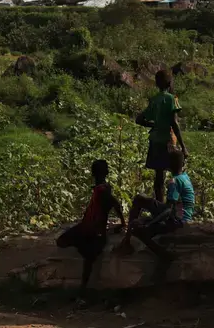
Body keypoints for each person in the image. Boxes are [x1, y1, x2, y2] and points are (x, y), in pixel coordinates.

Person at [56, 159, 126, 293]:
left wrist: (122, 223)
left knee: (87, 258)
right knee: (64, 242)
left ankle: (83, 289)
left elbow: (115, 204)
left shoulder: (103, 190)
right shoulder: (101, 189)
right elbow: (115, 205)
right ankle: (86, 253)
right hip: (87, 228)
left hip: (96, 232)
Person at [117, 151, 194, 260]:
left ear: (168, 165)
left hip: (177, 219)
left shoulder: (174, 182)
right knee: (140, 199)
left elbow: (168, 211)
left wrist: (150, 224)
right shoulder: (184, 177)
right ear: (182, 164)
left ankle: (163, 255)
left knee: (137, 227)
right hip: (181, 214)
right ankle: (127, 240)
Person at [137, 70, 188, 202]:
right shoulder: (172, 98)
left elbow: (139, 119)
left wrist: (154, 125)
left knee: (159, 175)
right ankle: (172, 205)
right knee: (175, 172)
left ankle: (159, 204)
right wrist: (183, 146)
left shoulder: (154, 100)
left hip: (154, 140)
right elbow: (174, 123)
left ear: (157, 84)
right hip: (167, 141)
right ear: (170, 83)